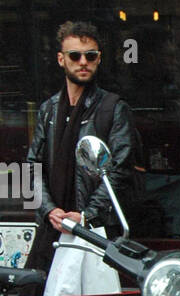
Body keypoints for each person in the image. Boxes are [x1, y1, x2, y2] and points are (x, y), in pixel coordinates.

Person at [26, 20, 137, 277]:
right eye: (75, 56)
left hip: (95, 232)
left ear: (99, 59)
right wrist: (48, 210)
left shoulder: (113, 107)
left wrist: (87, 216)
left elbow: (120, 171)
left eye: (91, 56)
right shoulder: (48, 110)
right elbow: (30, 168)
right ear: (61, 59)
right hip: (51, 230)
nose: (83, 62)